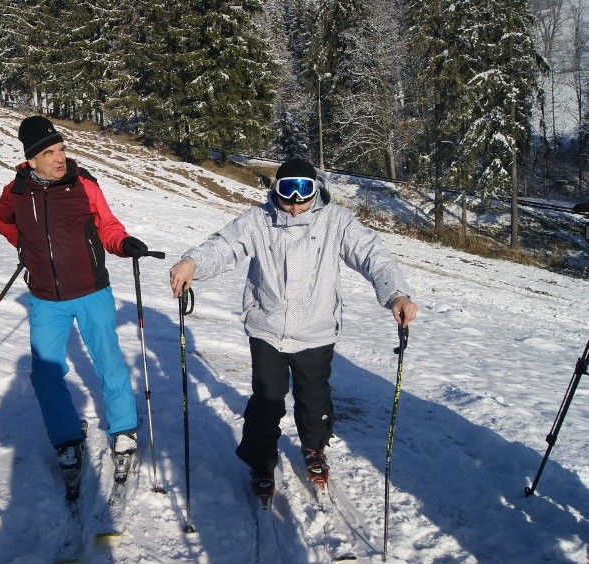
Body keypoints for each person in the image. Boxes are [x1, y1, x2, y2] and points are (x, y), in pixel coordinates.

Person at [169, 158, 417, 494]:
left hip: (315, 330)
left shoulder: (335, 222)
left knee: (314, 400)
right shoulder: (258, 220)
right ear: (276, 189)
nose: (296, 204)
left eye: (304, 192)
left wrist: (396, 294)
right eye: (288, 192)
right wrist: (192, 263)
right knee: (267, 400)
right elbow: (224, 246)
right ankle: (260, 461)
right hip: (267, 328)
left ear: (316, 189)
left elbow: (373, 255)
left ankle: (314, 448)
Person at [0, 115, 149, 490]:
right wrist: (24, 245)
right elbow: (1, 220)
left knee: (108, 360)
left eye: (61, 149)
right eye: (49, 152)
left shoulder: (84, 184)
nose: (59, 158)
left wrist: (123, 244)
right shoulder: (16, 191)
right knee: (45, 372)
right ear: (31, 160)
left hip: (92, 290)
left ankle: (124, 428)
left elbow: (107, 226)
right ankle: (65, 438)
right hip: (46, 298)